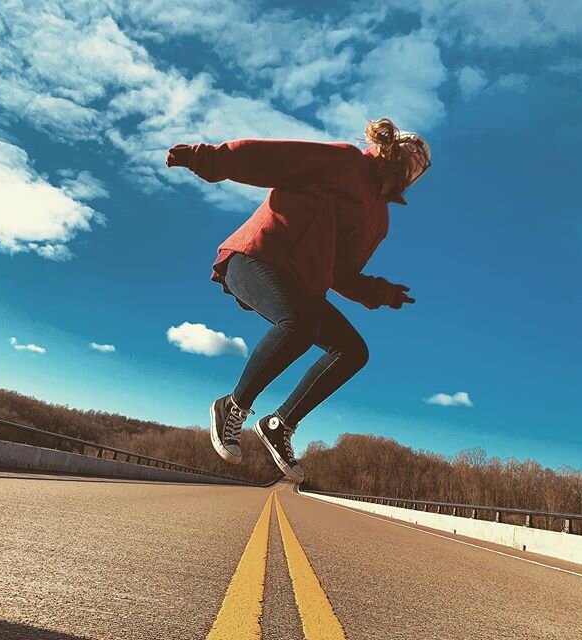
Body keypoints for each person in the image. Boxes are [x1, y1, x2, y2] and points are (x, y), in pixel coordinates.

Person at [165, 117, 431, 483]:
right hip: (255, 256)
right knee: (300, 325)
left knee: (353, 351)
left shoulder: (379, 220)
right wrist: (206, 159)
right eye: (411, 160)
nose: (413, 170)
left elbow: (342, 272)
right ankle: (233, 405)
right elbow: (272, 159)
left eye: (419, 168)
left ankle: (279, 424)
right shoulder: (347, 162)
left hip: (301, 286)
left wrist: (381, 293)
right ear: (392, 151)